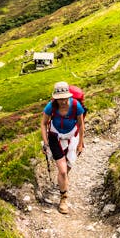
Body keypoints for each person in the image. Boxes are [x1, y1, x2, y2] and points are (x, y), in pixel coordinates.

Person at [40, 81, 85, 214]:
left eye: (65, 98)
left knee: (69, 165)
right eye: (60, 99)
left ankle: (61, 180)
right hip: (55, 137)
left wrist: (80, 143)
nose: (63, 101)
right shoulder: (51, 106)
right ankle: (63, 199)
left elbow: (81, 125)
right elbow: (43, 123)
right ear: (55, 98)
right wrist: (46, 142)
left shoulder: (76, 106)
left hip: (72, 137)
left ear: (69, 96)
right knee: (63, 171)